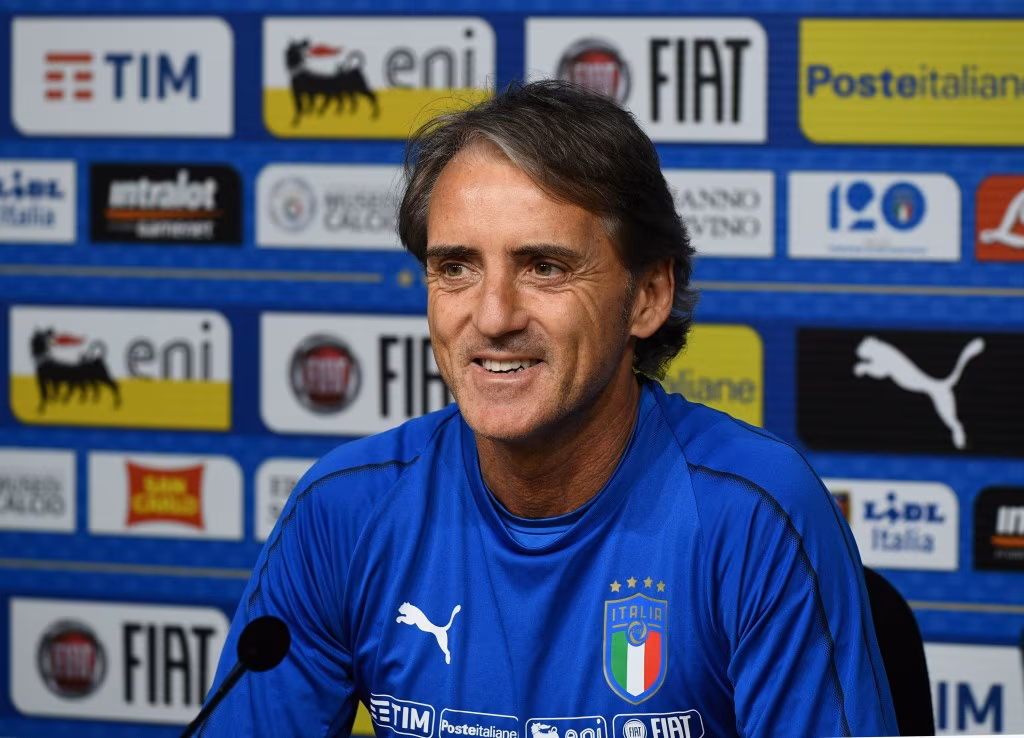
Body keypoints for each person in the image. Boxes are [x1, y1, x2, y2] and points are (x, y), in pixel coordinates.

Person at [200, 80, 898, 737]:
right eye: (456, 268)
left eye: (544, 267)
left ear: (648, 297)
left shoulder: (754, 516)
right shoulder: (343, 510)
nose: (493, 316)